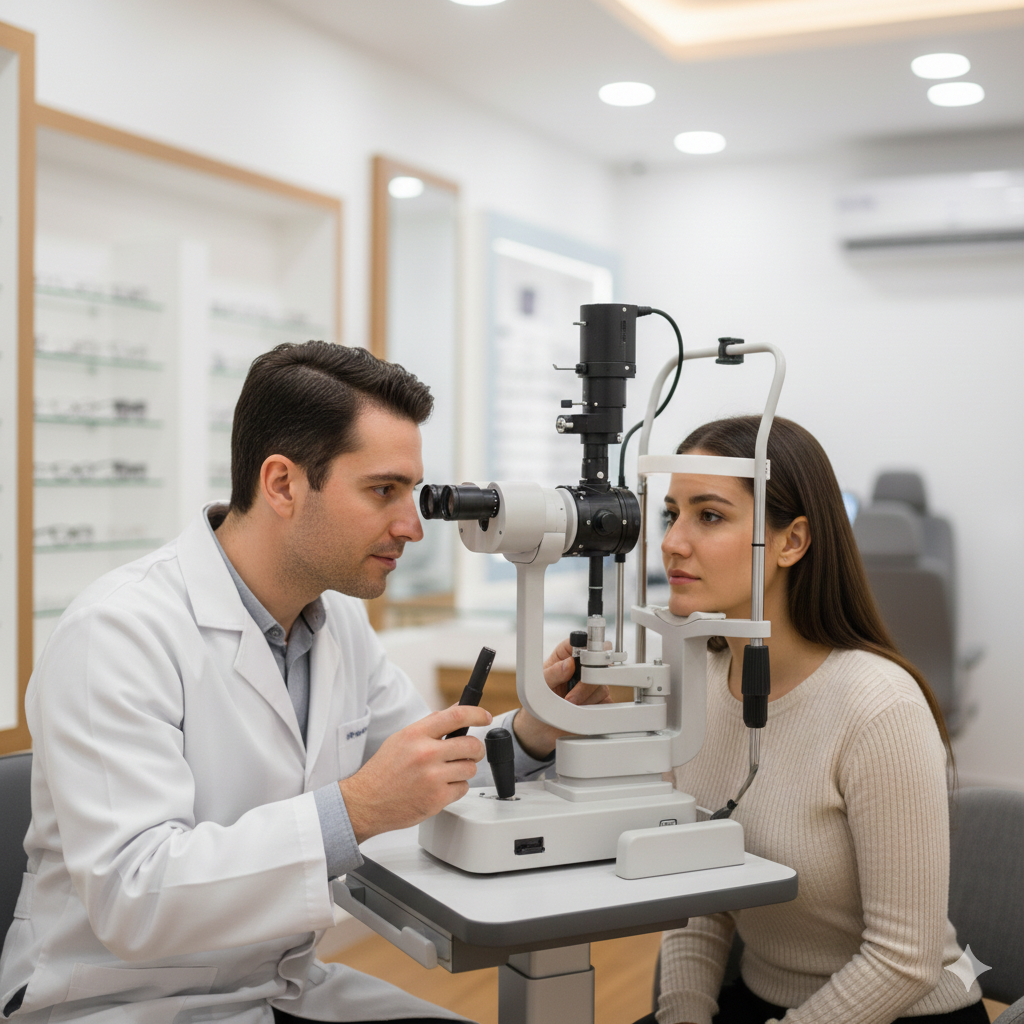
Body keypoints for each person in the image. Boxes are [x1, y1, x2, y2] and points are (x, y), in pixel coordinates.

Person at [0, 341, 603, 1024]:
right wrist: (355, 810)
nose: (411, 526)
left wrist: (531, 729)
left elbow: (420, 769)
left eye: (411, 491)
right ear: (283, 484)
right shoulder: (116, 632)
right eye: (383, 490)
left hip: (278, 985)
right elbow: (132, 896)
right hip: (116, 1000)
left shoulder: (335, 623)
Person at [636, 416, 986, 1024]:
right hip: (762, 997)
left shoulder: (879, 708)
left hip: (902, 1010)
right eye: (672, 513)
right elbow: (702, 902)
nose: (672, 541)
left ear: (791, 542)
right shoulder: (696, 684)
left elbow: (904, 959)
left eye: (709, 515)